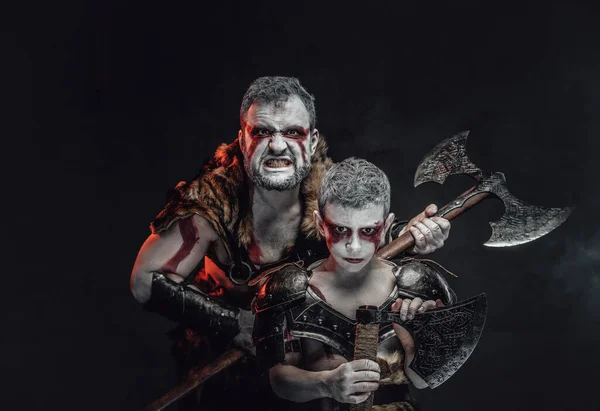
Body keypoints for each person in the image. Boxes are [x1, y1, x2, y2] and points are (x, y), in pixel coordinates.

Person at [130, 77, 451, 410]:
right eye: (262, 132)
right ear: (243, 140)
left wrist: (410, 235)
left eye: (293, 132)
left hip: (317, 376)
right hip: (234, 378)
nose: (278, 146)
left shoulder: (332, 191)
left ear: (312, 142)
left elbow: (369, 240)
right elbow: (146, 280)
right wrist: (234, 324)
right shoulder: (213, 202)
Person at [253, 157, 457, 411]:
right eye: (340, 229)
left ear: (386, 226)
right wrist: (326, 383)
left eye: (368, 231)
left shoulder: (416, 286)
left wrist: (414, 341)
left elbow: (423, 380)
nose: (354, 246)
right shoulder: (291, 289)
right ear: (320, 224)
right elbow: (277, 379)